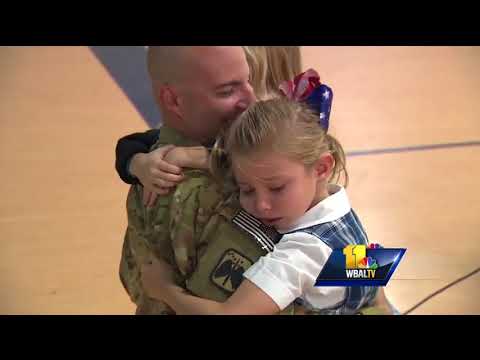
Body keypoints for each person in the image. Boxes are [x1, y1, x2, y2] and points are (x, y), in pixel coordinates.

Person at [140, 98, 380, 315]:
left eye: (277, 188)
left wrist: (165, 290)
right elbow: (374, 274)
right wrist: (187, 156)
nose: (262, 205)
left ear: (321, 168)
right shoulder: (335, 204)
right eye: (246, 189)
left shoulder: (303, 254)